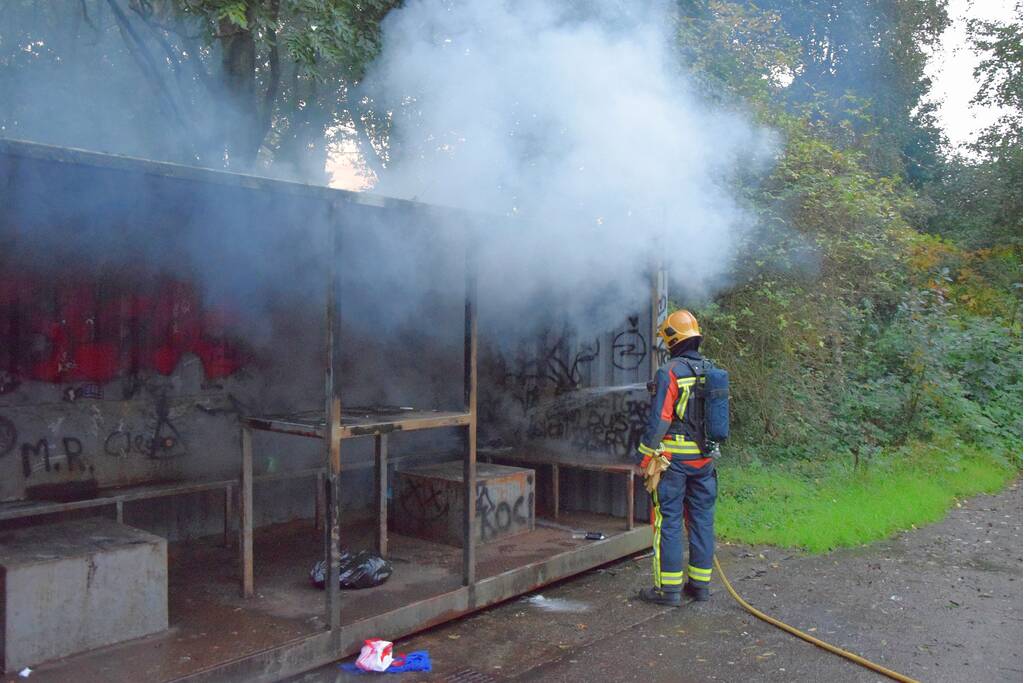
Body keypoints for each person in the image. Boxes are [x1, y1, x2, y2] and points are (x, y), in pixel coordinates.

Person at [634, 309, 717, 606]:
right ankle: (700, 586)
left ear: (673, 340)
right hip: (706, 463)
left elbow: (660, 420)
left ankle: (667, 590)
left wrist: (644, 456)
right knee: (702, 521)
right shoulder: (711, 370)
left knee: (667, 521)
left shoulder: (670, 371)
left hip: (675, 463)